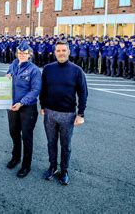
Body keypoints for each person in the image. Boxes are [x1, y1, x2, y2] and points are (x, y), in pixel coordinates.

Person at [40, 40, 87, 186]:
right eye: (58, 50)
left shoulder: (77, 70)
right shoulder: (48, 69)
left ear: (69, 52)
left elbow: (83, 93)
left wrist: (81, 114)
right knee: (51, 143)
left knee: (66, 145)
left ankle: (64, 170)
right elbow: (43, 90)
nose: (61, 53)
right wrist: (42, 106)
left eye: (63, 50)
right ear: (55, 53)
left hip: (68, 114)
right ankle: (52, 167)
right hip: (50, 113)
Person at [5, 41, 42, 178]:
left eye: (24, 53)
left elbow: (35, 90)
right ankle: (15, 157)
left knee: (26, 137)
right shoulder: (13, 65)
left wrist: (22, 102)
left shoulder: (34, 70)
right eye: (19, 53)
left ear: (29, 55)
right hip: (12, 106)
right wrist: (6, 78)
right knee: (14, 133)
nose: (21, 55)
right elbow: (7, 79)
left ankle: (26, 165)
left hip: (27, 108)